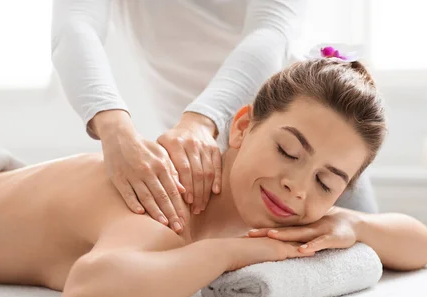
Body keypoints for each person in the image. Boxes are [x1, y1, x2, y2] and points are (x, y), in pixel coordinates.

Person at [0, 58, 427, 297]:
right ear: (241, 127)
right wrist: (229, 253)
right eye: (287, 150)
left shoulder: (288, 203)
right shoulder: (168, 194)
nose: (298, 186)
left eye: (328, 182)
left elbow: (423, 246)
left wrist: (354, 225)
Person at [51, 0, 380, 235]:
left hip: (291, 134)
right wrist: (115, 130)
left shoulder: (310, 173)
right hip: (194, 149)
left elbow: (271, 31)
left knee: (362, 261)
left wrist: (201, 121)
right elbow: (74, 26)